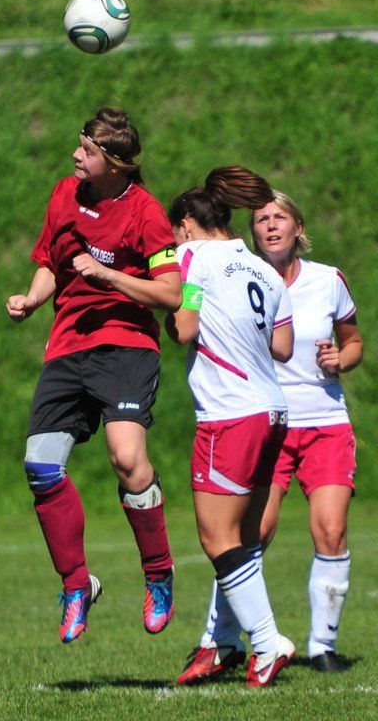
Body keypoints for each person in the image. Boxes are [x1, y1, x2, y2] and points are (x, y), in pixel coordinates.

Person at [6, 107, 182, 644]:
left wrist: (108, 275)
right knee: (41, 467)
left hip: (125, 345)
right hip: (68, 344)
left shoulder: (147, 213)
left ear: (115, 164)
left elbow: (172, 294)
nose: (75, 156)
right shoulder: (64, 194)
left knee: (127, 460)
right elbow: (50, 262)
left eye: (86, 150)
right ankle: (77, 586)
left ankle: (159, 575)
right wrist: (33, 300)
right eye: (79, 145)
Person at [179, 190, 363, 683]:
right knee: (250, 534)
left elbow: (353, 339)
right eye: (262, 219)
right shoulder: (244, 273)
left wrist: (341, 359)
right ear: (251, 231)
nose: (271, 226)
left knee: (330, 530)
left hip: (323, 421)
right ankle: (222, 640)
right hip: (269, 421)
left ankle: (322, 646)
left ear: (297, 227)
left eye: (280, 217)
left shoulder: (328, 280)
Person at [166, 168, 296, 688]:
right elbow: (283, 347)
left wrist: (167, 310)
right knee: (243, 538)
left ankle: (266, 642)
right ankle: (220, 642)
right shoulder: (266, 271)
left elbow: (185, 328)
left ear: (187, 226)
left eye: (175, 234)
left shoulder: (193, 258)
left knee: (216, 536)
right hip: (274, 411)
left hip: (229, 414)